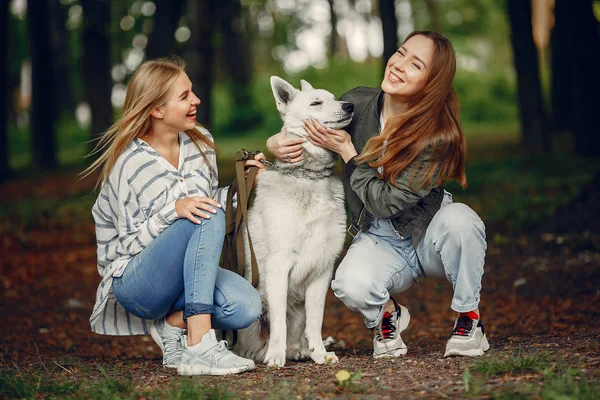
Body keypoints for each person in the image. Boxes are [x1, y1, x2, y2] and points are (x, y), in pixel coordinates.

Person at [267, 31, 488, 358]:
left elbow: (384, 202)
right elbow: (307, 126)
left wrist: (348, 153)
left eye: (415, 65)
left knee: (463, 223)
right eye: (400, 53)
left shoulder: (439, 135)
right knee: (348, 283)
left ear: (432, 81)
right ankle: (387, 314)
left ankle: (469, 320)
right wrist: (274, 144)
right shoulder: (356, 103)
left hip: (430, 231)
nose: (398, 65)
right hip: (380, 237)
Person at [83, 58, 266, 375]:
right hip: (137, 284)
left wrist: (242, 186)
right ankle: (200, 344)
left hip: (185, 275)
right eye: (184, 96)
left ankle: (171, 327)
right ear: (157, 110)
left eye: (192, 92)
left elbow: (209, 208)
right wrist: (173, 212)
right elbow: (127, 247)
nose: (196, 100)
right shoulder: (128, 164)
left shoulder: (201, 142)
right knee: (202, 212)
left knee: (247, 306)